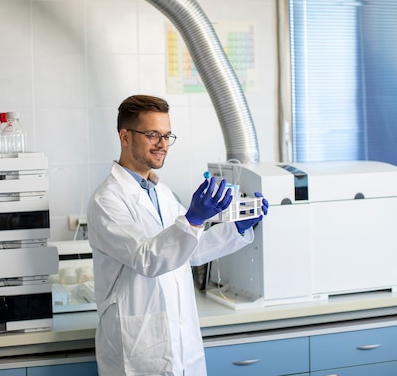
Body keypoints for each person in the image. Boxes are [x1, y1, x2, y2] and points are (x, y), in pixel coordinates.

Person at [87, 95, 268, 376]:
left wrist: (237, 228)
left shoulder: (161, 193)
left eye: (167, 136)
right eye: (152, 135)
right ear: (125, 136)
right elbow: (147, 260)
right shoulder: (107, 200)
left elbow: (190, 252)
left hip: (183, 345)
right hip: (138, 352)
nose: (162, 144)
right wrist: (193, 219)